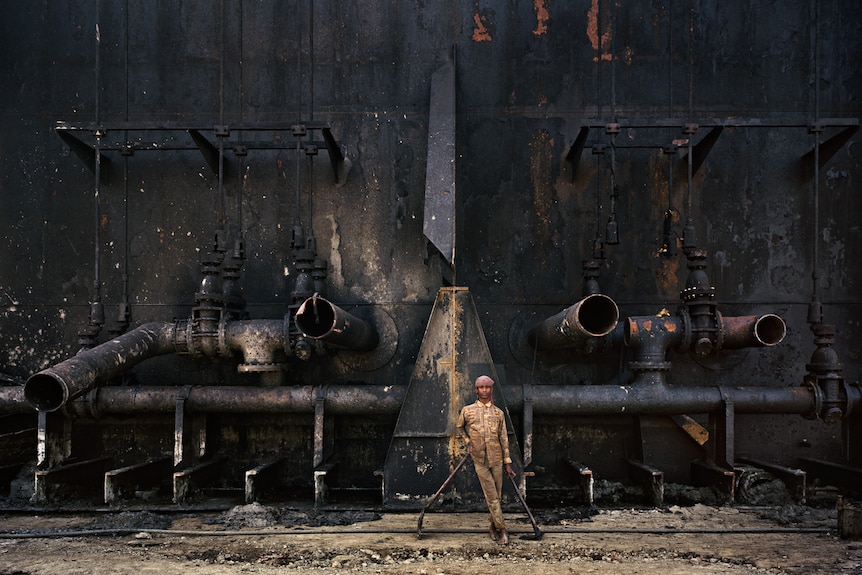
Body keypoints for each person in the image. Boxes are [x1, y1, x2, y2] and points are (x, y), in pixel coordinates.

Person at [456, 374, 516, 545]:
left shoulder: (499, 413)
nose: (484, 390)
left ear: (491, 389)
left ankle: (492, 526)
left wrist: (507, 462)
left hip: (497, 459)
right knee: (492, 495)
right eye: (481, 387)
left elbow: (504, 438)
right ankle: (503, 528)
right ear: (476, 390)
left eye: (487, 387)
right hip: (479, 459)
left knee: (496, 495)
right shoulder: (468, 411)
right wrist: (468, 441)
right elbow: (459, 427)